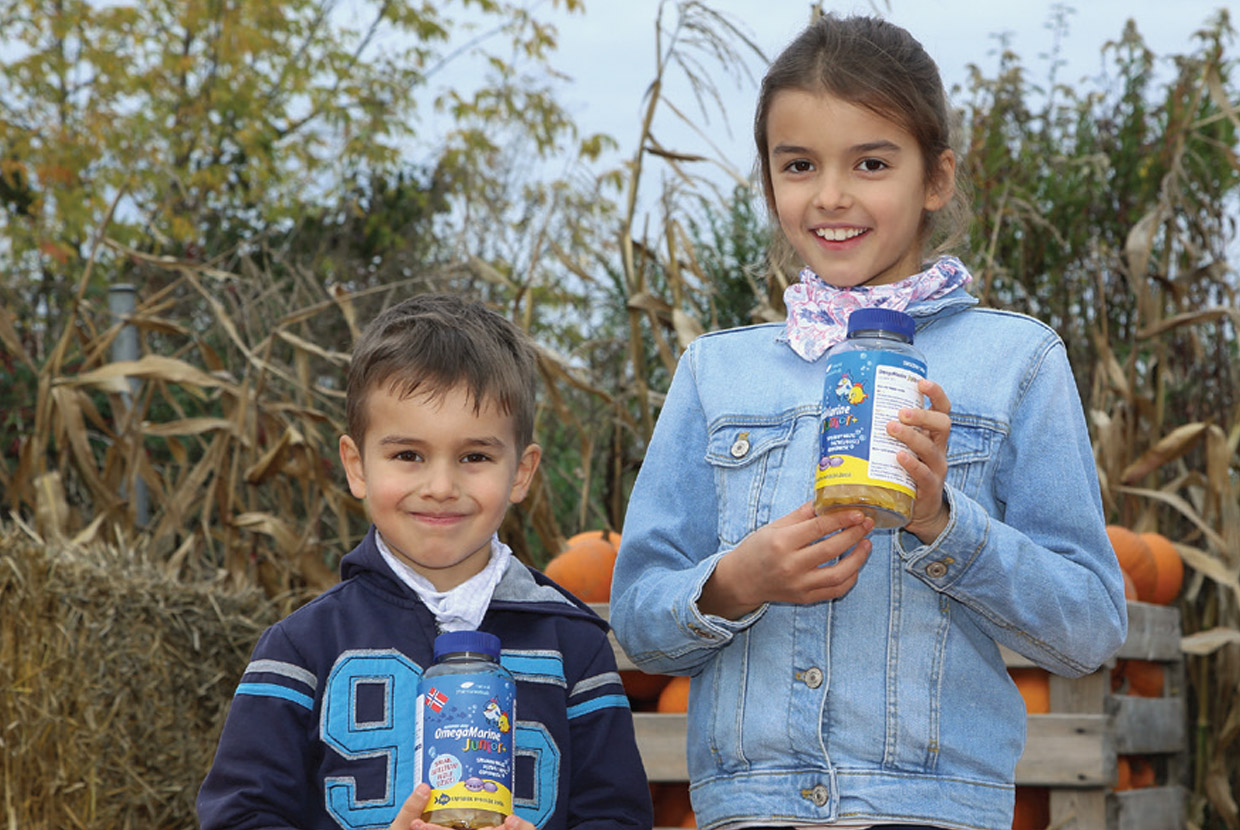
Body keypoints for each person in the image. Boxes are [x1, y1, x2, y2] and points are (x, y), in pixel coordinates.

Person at [609, 13, 1127, 830]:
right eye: (800, 165)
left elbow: (1090, 629)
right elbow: (638, 618)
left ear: (936, 178)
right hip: (752, 811)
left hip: (932, 811)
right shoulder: (716, 372)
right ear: (771, 180)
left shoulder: (1015, 361)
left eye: (872, 162)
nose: (832, 195)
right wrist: (737, 582)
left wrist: (944, 523)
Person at [197, 293, 652, 830]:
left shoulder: (572, 646)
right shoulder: (302, 648)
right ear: (357, 465)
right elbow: (240, 816)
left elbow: (617, 815)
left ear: (522, 472)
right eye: (408, 455)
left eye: (474, 457)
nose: (441, 487)